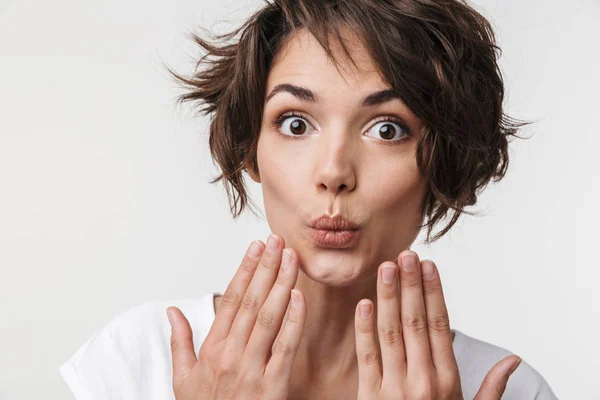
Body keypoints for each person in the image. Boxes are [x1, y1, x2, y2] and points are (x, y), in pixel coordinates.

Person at [58, 0, 558, 399]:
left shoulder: (505, 387)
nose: (334, 172)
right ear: (250, 149)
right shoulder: (140, 358)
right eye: (296, 123)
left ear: (442, 164)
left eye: (387, 129)